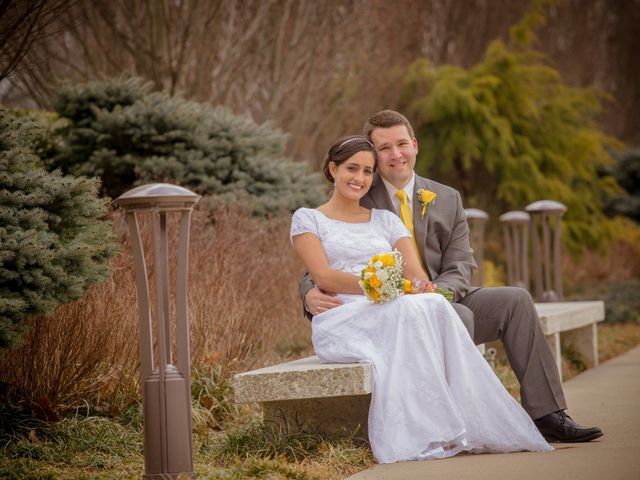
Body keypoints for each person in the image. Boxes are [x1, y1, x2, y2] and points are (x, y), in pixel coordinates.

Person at [302, 110, 603, 444]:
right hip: (389, 308)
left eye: (402, 144)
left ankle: (549, 414)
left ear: (415, 145)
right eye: (384, 148)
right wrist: (307, 294)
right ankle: (458, 422)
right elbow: (324, 259)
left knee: (515, 300)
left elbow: (461, 265)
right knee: (455, 315)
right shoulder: (359, 193)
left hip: (443, 294)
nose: (396, 154)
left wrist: (434, 296)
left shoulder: (446, 198)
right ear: (373, 156)